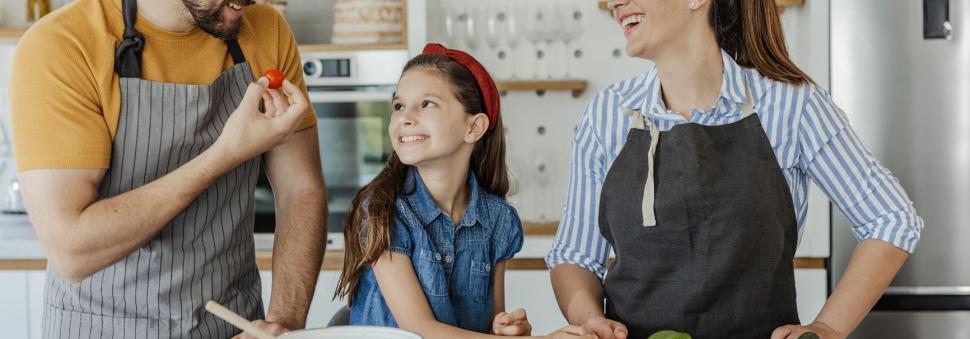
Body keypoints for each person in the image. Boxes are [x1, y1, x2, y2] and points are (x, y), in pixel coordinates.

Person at [545, 1, 923, 338]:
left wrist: (827, 327)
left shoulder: (791, 105)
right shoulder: (608, 113)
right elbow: (575, 255)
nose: (613, 2)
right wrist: (589, 317)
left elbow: (891, 218)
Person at [8, 0, 328, 337]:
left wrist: (285, 323)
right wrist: (223, 155)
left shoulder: (265, 28)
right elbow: (72, 252)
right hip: (103, 328)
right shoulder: (63, 44)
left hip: (233, 327)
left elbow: (301, 189)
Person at [334, 43, 591, 339]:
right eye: (398, 105)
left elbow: (491, 323)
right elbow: (420, 330)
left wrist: (506, 328)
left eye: (427, 104)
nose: (404, 117)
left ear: (474, 127)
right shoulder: (382, 209)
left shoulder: (499, 220)